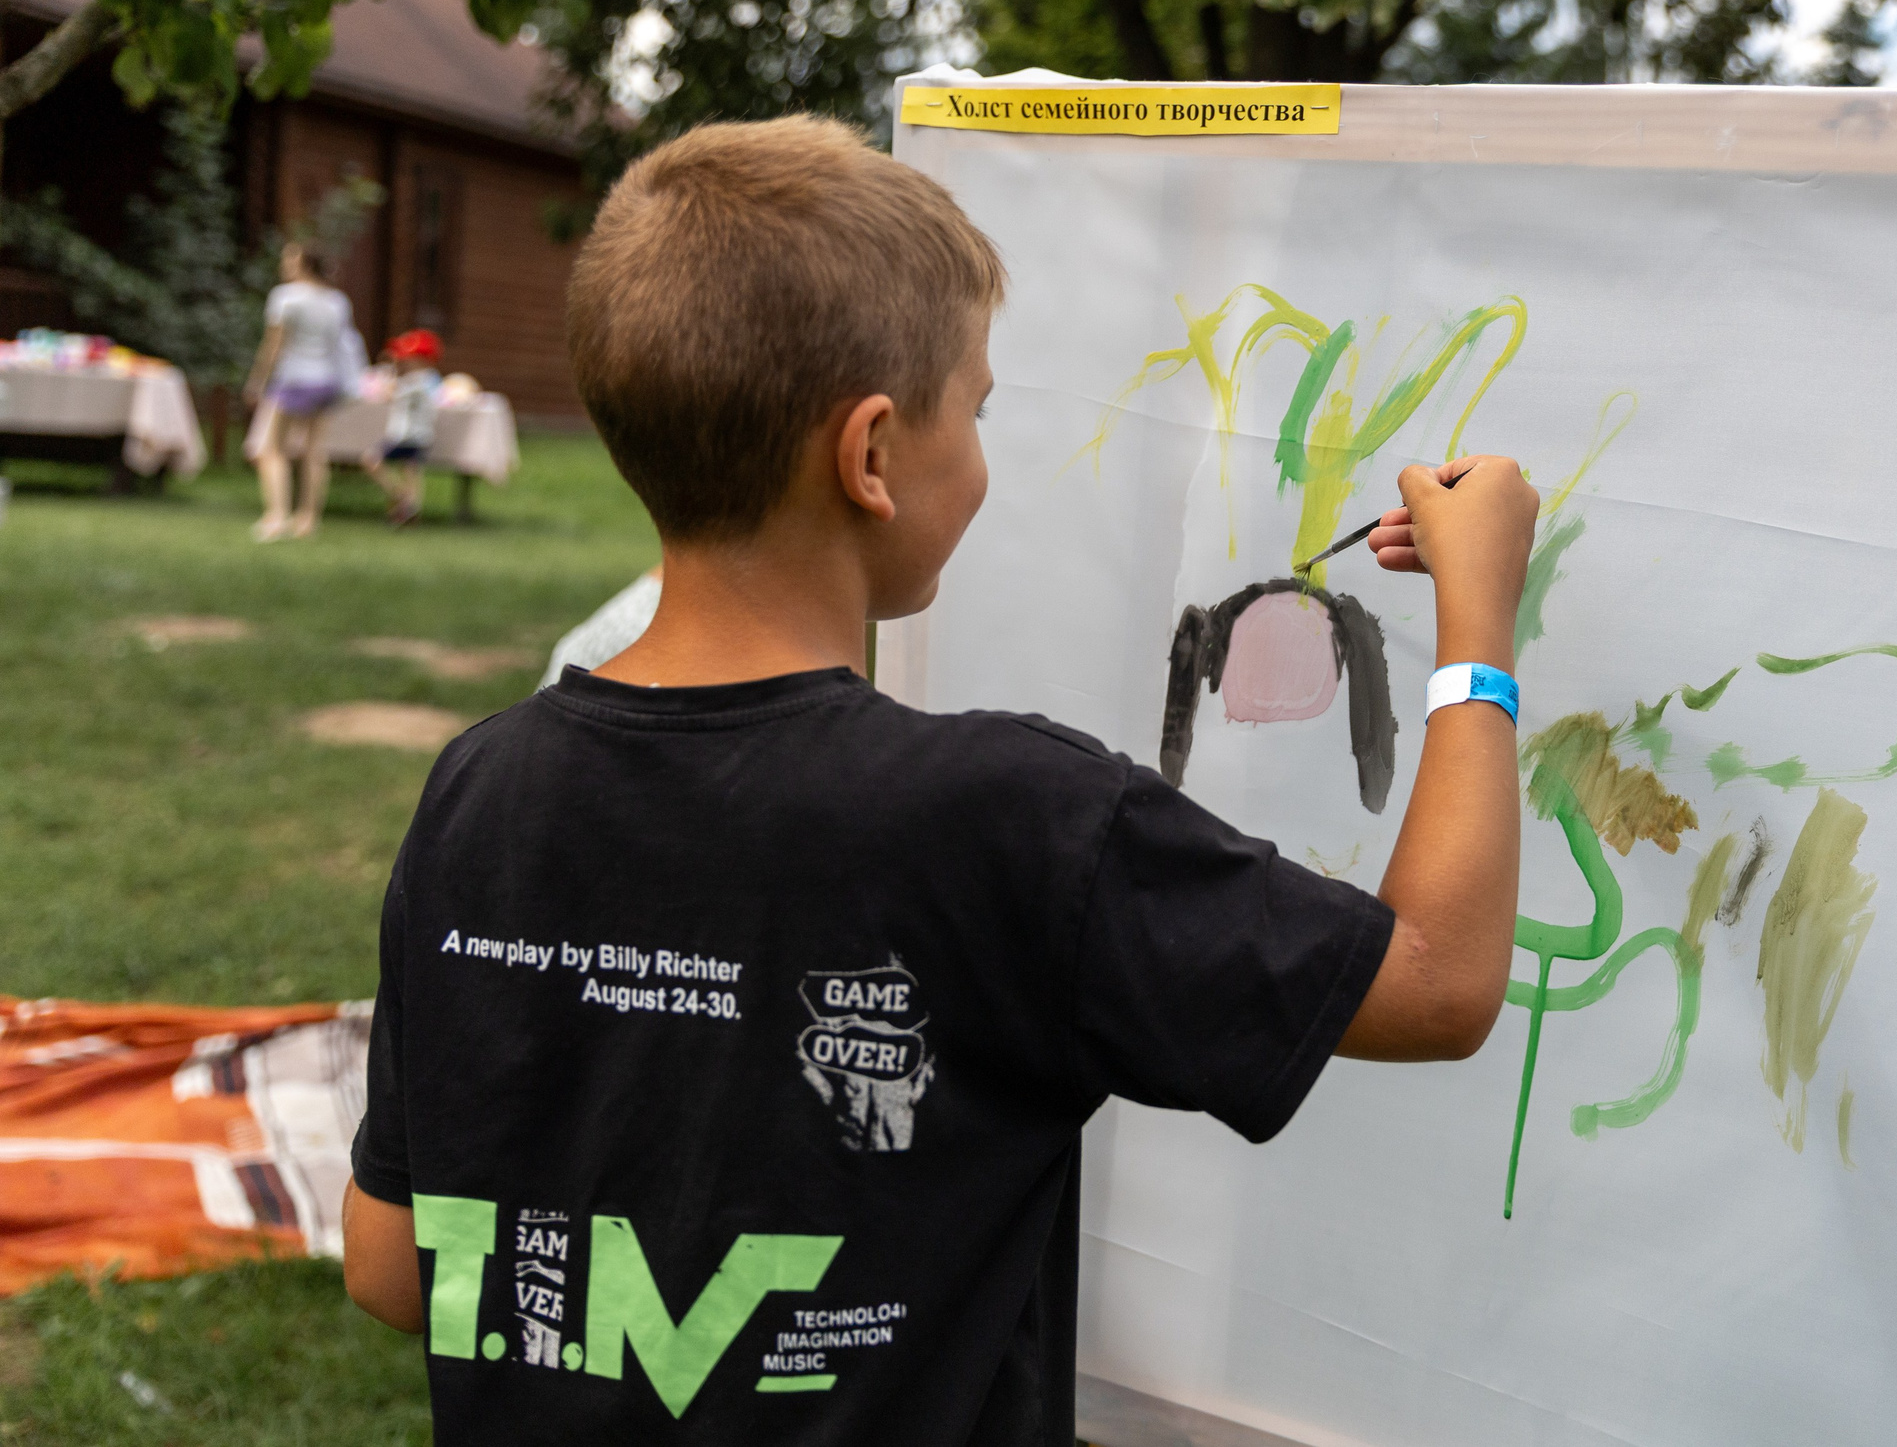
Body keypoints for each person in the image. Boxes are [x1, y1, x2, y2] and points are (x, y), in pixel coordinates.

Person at [338, 116, 1539, 1444]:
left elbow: (394, 1267)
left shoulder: (478, 788)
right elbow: (1437, 976)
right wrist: (1480, 628)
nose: (980, 453)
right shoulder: (1010, 816)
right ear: (868, 456)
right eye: (973, 407)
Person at [243, 243, 356, 542]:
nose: (284, 262)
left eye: (289, 257)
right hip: (327, 380)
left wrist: (257, 381)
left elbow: (273, 347)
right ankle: (308, 519)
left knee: (271, 449)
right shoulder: (337, 301)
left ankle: (276, 516)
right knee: (314, 452)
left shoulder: (285, 298)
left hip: (293, 379)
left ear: (302, 263)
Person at [364, 328, 444, 527]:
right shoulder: (431, 381)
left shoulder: (416, 383)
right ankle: (410, 508)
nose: (402, 362)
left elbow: (388, 393)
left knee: (371, 460)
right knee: (411, 471)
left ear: (422, 361)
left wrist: (389, 367)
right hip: (421, 436)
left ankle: (401, 497)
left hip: (405, 436)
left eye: (405, 358)